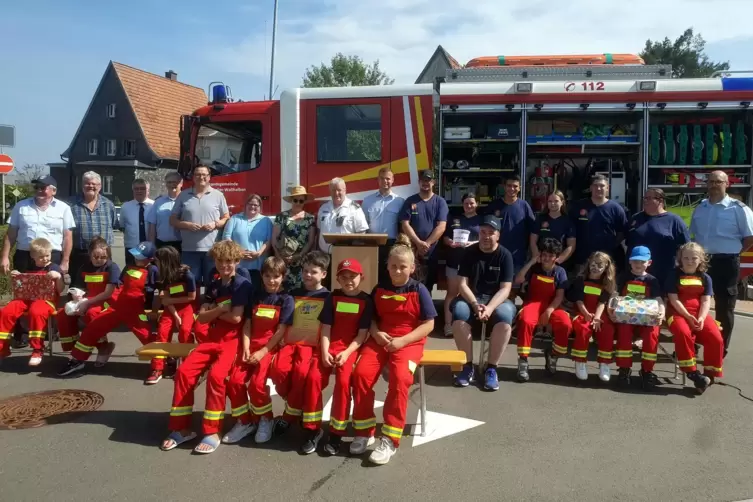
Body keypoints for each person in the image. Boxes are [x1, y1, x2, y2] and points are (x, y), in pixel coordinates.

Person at [351, 236, 437, 465]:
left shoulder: (420, 290)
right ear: (387, 266)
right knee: (360, 375)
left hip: (409, 342)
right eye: (393, 266)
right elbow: (370, 319)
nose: (398, 270)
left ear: (412, 267)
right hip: (380, 339)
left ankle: (390, 439)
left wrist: (403, 341)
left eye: (403, 266)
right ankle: (364, 429)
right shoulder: (379, 288)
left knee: (400, 380)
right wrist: (377, 333)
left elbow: (429, 324)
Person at [161, 240, 251, 454]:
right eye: (220, 261)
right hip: (211, 338)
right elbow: (201, 318)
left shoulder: (242, 284)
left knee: (217, 378)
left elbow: (237, 319)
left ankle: (212, 432)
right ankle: (180, 429)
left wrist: (213, 311)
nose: (224, 265)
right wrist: (220, 308)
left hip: (231, 341)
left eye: (229, 261)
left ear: (237, 261)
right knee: (183, 372)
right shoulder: (213, 282)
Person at [301, 258, 372, 455]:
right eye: (344, 276)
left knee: (342, 383)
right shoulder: (332, 298)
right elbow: (326, 328)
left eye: (353, 276)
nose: (348, 280)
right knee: (313, 378)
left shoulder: (366, 301)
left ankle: (336, 433)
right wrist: (324, 352)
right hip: (328, 346)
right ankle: (312, 430)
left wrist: (346, 353)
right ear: (338, 279)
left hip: (349, 350)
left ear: (361, 277)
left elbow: (361, 335)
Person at [57, 241, 158, 379]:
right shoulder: (128, 267)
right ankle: (77, 360)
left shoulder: (153, 271)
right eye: (136, 256)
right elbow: (117, 287)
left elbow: (161, 291)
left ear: (150, 259)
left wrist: (154, 309)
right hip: (117, 307)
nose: (137, 259)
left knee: (147, 337)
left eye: (141, 257)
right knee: (92, 328)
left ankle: (161, 364)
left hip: (136, 311)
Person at [223, 257, 294, 446]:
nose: (272, 280)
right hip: (249, 346)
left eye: (276, 276)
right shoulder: (255, 296)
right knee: (235, 381)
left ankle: (265, 419)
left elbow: (281, 330)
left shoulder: (286, 299)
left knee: (256, 384)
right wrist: (246, 347)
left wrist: (263, 351)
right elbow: (247, 324)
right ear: (261, 276)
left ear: (283, 277)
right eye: (268, 276)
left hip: (269, 348)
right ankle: (244, 421)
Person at [690, 170, 753, 356]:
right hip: (701, 263)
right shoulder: (701, 208)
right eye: (711, 181)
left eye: (718, 181)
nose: (714, 185)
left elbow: (749, 238)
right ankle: (691, 345)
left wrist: (733, 252)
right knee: (694, 303)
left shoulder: (738, 208)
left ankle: (719, 347)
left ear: (727, 184)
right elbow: (694, 235)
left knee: (724, 306)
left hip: (726, 261)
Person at [451, 215, 516, 391]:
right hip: (472, 297)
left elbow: (505, 289)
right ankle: (467, 366)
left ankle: (491, 369)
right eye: (483, 232)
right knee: (458, 314)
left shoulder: (505, 255)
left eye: (490, 233)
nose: (486, 236)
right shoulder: (468, 253)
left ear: (498, 235)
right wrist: (474, 304)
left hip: (496, 299)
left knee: (505, 318)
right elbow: (462, 284)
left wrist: (490, 307)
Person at [270, 251, 330, 441]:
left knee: (303, 375)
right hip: (290, 343)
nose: (308, 275)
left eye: (313, 271)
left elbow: (329, 326)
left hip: (312, 346)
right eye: (305, 271)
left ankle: (299, 420)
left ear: (324, 274)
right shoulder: (293, 294)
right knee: (278, 370)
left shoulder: (329, 297)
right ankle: (295, 406)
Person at [665, 242, 724, 394]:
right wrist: (688, 316)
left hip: (699, 314)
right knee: (683, 334)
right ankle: (692, 372)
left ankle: (709, 376)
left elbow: (706, 301)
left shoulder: (705, 278)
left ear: (701, 260)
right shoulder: (674, 275)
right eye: (686, 258)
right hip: (677, 313)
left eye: (694, 258)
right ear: (680, 259)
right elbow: (673, 299)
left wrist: (702, 318)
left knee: (715, 337)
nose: (690, 261)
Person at [0, 238, 65, 366]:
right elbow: (20, 286)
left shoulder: (54, 267)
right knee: (6, 311)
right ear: (33, 256)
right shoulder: (29, 267)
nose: (45, 259)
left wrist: (58, 277)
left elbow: (61, 289)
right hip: (26, 299)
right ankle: (2, 348)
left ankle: (37, 349)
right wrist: (17, 276)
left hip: (46, 300)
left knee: (36, 312)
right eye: (41, 257)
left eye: (47, 255)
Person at [515, 238, 572, 383]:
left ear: (556, 257)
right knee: (526, 321)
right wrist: (531, 262)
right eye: (544, 254)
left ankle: (553, 355)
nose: (546, 258)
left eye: (550, 255)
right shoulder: (534, 268)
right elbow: (519, 279)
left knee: (565, 324)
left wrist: (549, 311)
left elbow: (560, 296)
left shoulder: (560, 272)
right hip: (533, 303)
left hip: (553, 305)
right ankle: (523, 361)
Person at [57, 237, 120, 362]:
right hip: (89, 299)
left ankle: (103, 346)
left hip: (107, 301)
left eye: (103, 257)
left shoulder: (112, 267)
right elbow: (77, 287)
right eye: (95, 257)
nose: (99, 260)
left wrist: (86, 303)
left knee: (91, 313)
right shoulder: (84, 267)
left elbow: (108, 293)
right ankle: (74, 345)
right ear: (89, 254)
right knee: (63, 313)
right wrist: (77, 296)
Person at [612, 245, 665, 391]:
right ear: (630, 262)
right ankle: (624, 369)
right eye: (635, 261)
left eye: (642, 261)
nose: (638, 264)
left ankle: (647, 371)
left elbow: (658, 299)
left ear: (649, 263)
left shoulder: (652, 280)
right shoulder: (623, 276)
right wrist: (612, 308)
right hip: (626, 318)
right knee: (623, 334)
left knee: (651, 336)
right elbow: (615, 295)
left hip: (646, 319)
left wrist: (662, 312)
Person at [170, 165, 230, 290]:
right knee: (190, 283)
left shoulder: (218, 195)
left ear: (209, 177)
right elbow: (172, 220)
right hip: (189, 249)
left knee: (213, 283)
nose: (201, 177)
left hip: (212, 249)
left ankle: (209, 307)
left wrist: (215, 224)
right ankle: (192, 308)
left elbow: (226, 218)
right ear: (193, 177)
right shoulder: (183, 195)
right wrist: (187, 225)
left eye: (204, 175)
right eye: (197, 174)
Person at [1, 175, 74, 275]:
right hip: (25, 257)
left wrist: (65, 261)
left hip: (51, 257)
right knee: (23, 289)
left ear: (54, 191)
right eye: (36, 187)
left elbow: (67, 237)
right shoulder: (21, 206)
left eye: (43, 187)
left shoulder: (64, 208)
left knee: (50, 289)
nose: (39, 190)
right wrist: (4, 257)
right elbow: (10, 234)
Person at [147, 246, 197, 385]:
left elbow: (192, 297)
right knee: (162, 333)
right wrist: (175, 316)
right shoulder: (162, 276)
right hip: (171, 309)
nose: (154, 263)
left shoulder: (187, 275)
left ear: (166, 262)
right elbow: (166, 298)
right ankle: (157, 368)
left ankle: (186, 366)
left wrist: (170, 301)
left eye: (157, 261)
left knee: (185, 332)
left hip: (186, 307)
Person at [567, 251, 617, 382]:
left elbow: (602, 302)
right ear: (589, 263)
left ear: (606, 267)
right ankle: (580, 362)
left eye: (599, 266)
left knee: (607, 330)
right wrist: (586, 314)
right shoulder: (580, 280)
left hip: (599, 313)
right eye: (593, 264)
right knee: (583, 329)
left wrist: (597, 317)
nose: (595, 268)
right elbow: (579, 300)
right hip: (581, 312)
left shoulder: (606, 283)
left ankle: (604, 363)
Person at [627, 188, 689, 290]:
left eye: (649, 198)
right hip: (637, 272)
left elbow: (685, 248)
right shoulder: (636, 218)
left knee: (661, 301)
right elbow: (627, 241)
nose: (645, 201)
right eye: (645, 198)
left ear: (660, 201)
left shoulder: (674, 220)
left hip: (663, 272)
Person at [400, 170, 448, 292]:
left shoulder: (440, 202)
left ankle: (426, 310)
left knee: (429, 285)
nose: (426, 183)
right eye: (423, 180)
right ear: (419, 182)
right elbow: (405, 224)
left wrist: (426, 244)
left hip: (432, 252)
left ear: (434, 182)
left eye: (428, 180)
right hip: (413, 251)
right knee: (411, 283)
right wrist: (418, 243)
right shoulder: (410, 201)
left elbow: (441, 226)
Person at [570, 174, 628, 273]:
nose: (599, 188)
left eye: (602, 186)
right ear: (591, 188)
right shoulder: (578, 206)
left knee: (606, 285)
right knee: (582, 286)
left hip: (607, 259)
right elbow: (570, 230)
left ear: (607, 188)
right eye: (595, 185)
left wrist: (611, 245)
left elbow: (622, 232)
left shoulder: (616, 209)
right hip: (583, 259)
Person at [441, 192, 481, 337]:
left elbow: (487, 238)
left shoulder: (481, 220)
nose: (469, 206)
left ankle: (467, 325)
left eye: (472, 203)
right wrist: (449, 242)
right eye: (466, 203)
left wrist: (473, 243)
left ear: (477, 204)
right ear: (462, 204)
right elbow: (445, 237)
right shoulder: (454, 219)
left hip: (473, 263)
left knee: (471, 294)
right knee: (452, 293)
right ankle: (448, 325)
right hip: (454, 261)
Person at [517, 190, 575, 284]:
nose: (553, 204)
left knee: (559, 290)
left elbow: (571, 245)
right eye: (550, 201)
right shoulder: (540, 219)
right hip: (541, 262)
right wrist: (537, 257)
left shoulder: (568, 222)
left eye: (556, 201)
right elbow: (533, 241)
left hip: (559, 264)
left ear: (562, 202)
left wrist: (558, 260)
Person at [485, 175, 536, 279]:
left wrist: (532, 252)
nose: (512, 189)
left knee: (515, 289)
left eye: (515, 186)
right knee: (496, 287)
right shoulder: (494, 206)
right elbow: (485, 229)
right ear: (504, 187)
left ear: (519, 188)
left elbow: (533, 230)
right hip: (496, 254)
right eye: (509, 185)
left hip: (518, 256)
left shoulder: (524, 206)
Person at [69, 171, 118, 278]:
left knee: (103, 286)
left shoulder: (108, 205)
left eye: (94, 184)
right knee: (78, 287)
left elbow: (114, 224)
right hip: (80, 254)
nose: (90, 186)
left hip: (103, 255)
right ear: (82, 186)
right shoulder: (71, 205)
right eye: (87, 183)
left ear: (100, 186)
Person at [362, 167, 405, 283]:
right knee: (371, 275)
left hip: (391, 244)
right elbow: (363, 225)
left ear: (392, 180)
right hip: (371, 243)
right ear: (378, 180)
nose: (385, 181)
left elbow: (402, 226)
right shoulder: (367, 201)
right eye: (382, 178)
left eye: (388, 179)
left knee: (389, 276)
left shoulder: (400, 201)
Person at [222, 193, 273, 287]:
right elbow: (226, 237)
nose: (253, 206)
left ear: (260, 207)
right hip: (237, 266)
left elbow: (269, 240)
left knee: (256, 292)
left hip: (258, 266)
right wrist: (238, 252)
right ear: (245, 205)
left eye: (256, 205)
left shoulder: (266, 221)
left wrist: (259, 253)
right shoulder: (235, 219)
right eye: (250, 204)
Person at [272, 186, 316, 291]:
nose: (298, 203)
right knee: (281, 289)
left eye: (301, 200)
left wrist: (298, 256)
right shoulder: (281, 216)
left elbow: (310, 241)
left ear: (304, 202)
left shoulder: (310, 218)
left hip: (301, 263)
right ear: (291, 200)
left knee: (300, 291)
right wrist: (279, 258)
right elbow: (274, 238)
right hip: (282, 261)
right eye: (295, 200)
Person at [146, 171, 183, 252]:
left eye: (175, 182)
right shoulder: (158, 202)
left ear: (181, 184)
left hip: (181, 245)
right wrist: (151, 245)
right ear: (166, 184)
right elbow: (152, 226)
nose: (172, 184)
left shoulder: (187, 201)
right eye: (169, 182)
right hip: (162, 244)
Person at [120, 179, 154, 266]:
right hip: (132, 248)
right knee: (132, 274)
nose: (139, 191)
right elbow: (123, 226)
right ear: (133, 190)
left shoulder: (154, 205)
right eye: (136, 189)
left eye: (142, 188)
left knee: (150, 274)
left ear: (148, 190)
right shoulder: (125, 207)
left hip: (150, 248)